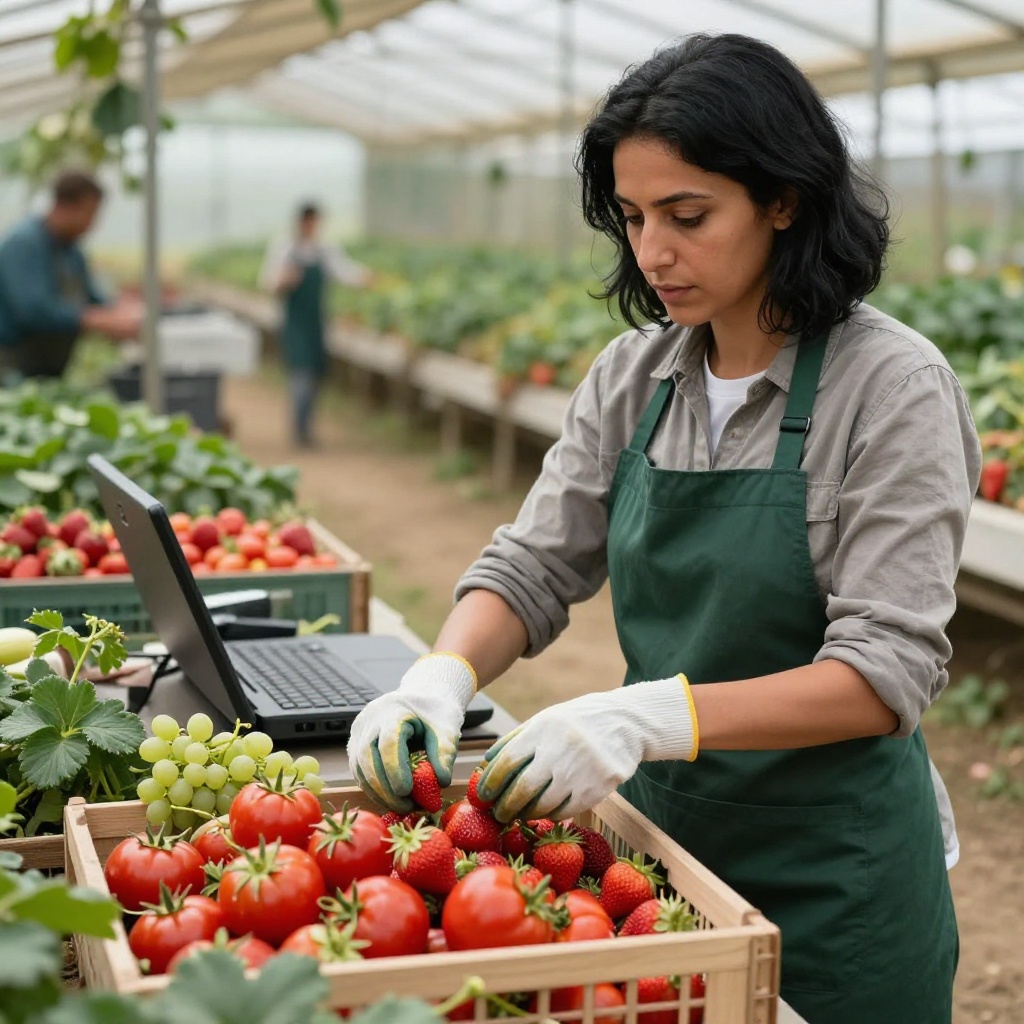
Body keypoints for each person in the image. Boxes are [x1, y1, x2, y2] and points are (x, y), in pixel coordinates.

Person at [347, 33, 979, 1024]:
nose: (652, 252)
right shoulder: (635, 375)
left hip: (836, 874)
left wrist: (647, 717)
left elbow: (883, 670)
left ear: (783, 199)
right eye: (633, 217)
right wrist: (439, 677)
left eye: (687, 215)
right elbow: (533, 563)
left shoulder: (892, 386)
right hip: (665, 858)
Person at [0, 170, 140, 382]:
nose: (93, 223)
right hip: (12, 365)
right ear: (64, 206)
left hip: (50, 368)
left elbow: (92, 297)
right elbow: (33, 310)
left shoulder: (71, 251)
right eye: (90, 213)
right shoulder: (23, 244)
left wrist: (117, 312)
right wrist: (92, 320)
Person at [260, 202, 372, 448]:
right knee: (301, 374)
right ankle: (300, 430)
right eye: (309, 222)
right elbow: (268, 282)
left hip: (316, 323)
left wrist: (367, 278)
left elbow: (344, 272)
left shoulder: (324, 250)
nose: (313, 227)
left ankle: (306, 427)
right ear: (300, 222)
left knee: (315, 375)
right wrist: (284, 280)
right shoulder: (284, 249)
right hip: (294, 322)